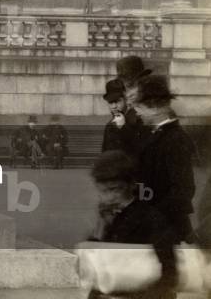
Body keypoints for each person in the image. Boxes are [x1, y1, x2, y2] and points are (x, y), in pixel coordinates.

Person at [84, 149, 178, 299]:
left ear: (131, 185)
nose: (108, 197)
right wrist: (100, 228)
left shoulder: (151, 219)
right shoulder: (106, 219)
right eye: (102, 191)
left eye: (114, 189)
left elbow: (169, 276)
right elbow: (94, 270)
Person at [132, 73, 196, 244]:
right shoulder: (155, 134)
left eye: (139, 106)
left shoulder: (175, 140)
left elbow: (183, 190)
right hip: (154, 225)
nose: (136, 112)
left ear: (155, 107)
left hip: (167, 230)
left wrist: (151, 215)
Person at [101, 78, 147, 157]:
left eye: (118, 101)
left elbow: (141, 151)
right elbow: (104, 154)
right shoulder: (110, 125)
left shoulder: (138, 119)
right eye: (110, 102)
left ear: (125, 100)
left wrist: (123, 128)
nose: (114, 106)